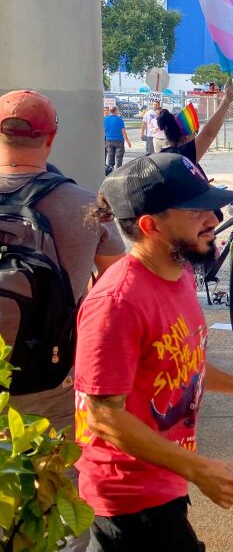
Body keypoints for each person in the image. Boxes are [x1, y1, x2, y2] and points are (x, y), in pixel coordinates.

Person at [75, 152, 233, 551]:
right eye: (196, 211)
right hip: (129, 495)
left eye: (211, 206)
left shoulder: (180, 273)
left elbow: (182, 362)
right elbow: (103, 415)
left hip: (166, 476)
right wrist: (200, 469)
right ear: (150, 226)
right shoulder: (117, 302)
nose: (213, 218)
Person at [0, 90, 125, 552]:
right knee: (55, 493)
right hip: (50, 375)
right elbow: (117, 285)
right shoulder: (82, 203)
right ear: (50, 138)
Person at [158, 80, 233, 176]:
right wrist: (226, 100)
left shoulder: (163, 156)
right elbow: (209, 134)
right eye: (194, 133)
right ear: (184, 137)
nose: (196, 137)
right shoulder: (182, 156)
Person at [103, 106, 131, 171]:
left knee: (110, 155)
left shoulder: (105, 119)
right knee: (119, 156)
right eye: (117, 111)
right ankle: (118, 170)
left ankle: (110, 169)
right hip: (119, 140)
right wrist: (128, 142)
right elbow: (123, 132)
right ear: (115, 111)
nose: (118, 112)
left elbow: (103, 130)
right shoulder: (120, 120)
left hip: (109, 140)